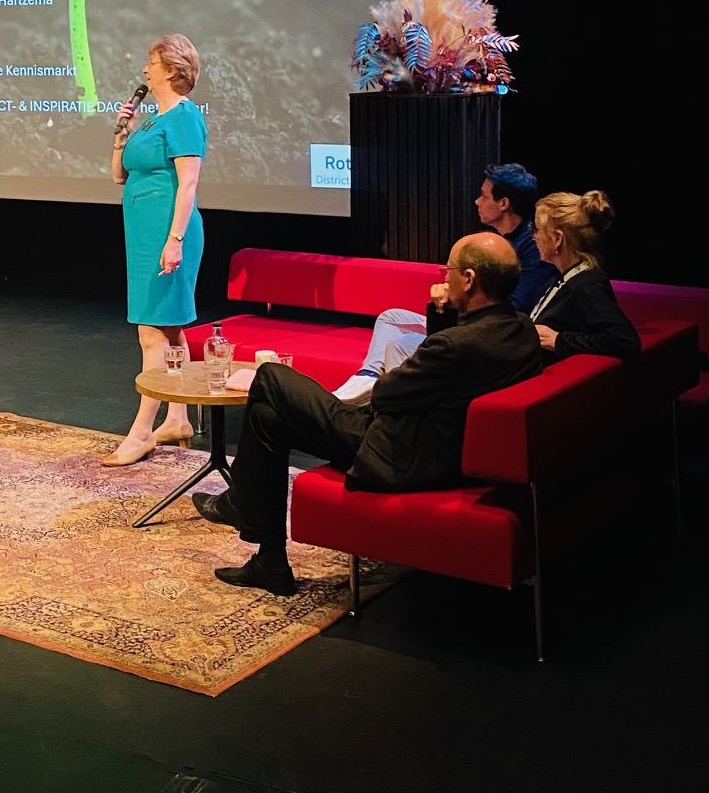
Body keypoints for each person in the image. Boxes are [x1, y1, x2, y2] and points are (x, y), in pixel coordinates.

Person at [195, 232, 542, 597]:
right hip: (437, 451)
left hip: (395, 454)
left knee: (269, 377)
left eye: (449, 270)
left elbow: (386, 393)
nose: (444, 278)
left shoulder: (455, 345)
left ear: (469, 279)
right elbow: (441, 381)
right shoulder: (521, 329)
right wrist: (441, 316)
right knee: (268, 417)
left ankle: (240, 502)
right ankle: (270, 563)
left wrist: (422, 355)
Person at [333, 162, 556, 402]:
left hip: (483, 332)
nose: (477, 202)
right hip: (464, 319)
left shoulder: (531, 250)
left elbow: (512, 307)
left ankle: (379, 398)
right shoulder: (496, 240)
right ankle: (367, 377)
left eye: (483, 196)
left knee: (399, 344)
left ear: (503, 203)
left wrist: (454, 302)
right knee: (389, 318)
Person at [102, 33, 208, 467]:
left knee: (151, 332)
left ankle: (142, 431)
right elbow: (119, 175)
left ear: (170, 69)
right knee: (170, 329)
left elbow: (188, 183)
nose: (145, 70)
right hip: (144, 235)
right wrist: (121, 136)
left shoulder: (184, 116)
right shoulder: (152, 120)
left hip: (169, 231)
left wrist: (175, 240)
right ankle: (177, 418)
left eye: (151, 63)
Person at [527, 189, 640, 363]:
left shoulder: (586, 284)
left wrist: (559, 340)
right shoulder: (568, 277)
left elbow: (624, 341)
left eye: (537, 229)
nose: (534, 236)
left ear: (557, 238)